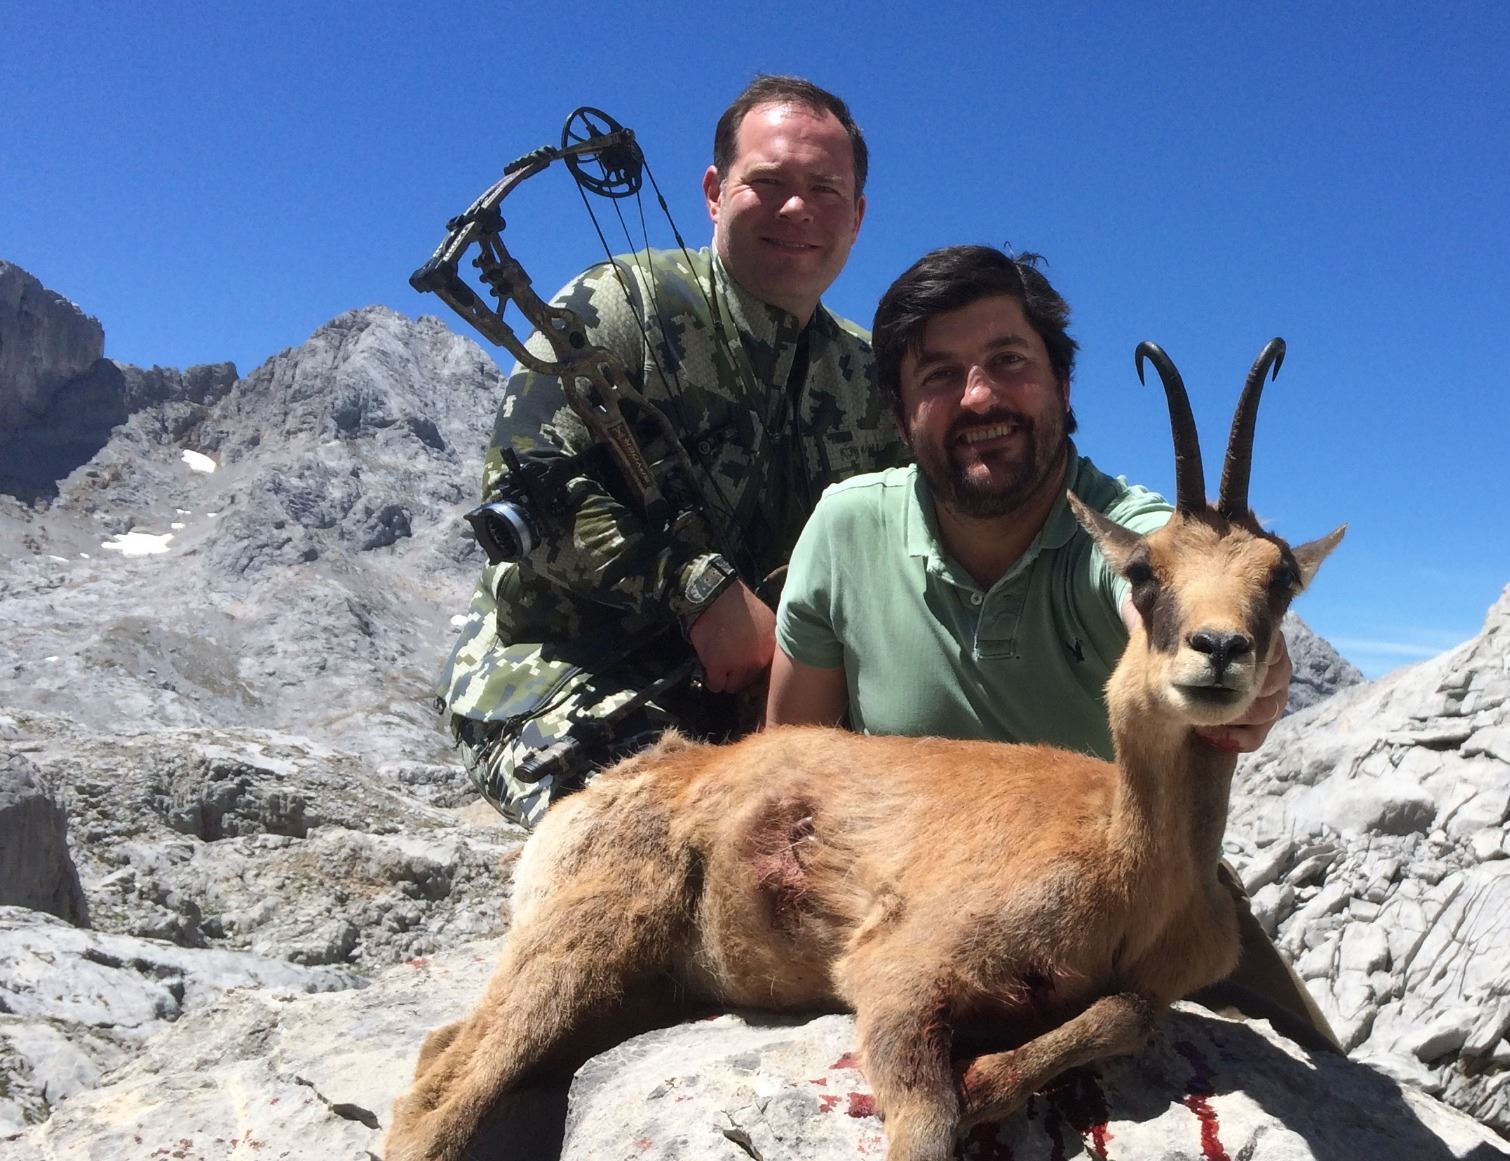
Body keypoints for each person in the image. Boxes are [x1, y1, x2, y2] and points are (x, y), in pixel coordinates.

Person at [768, 244, 1340, 1052]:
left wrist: (1244, 651)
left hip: (1129, 902)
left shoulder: (1130, 533)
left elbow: (1171, 576)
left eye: (1009, 360)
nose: (979, 395)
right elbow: (787, 761)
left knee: (1331, 1078)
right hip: (913, 896)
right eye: (939, 374)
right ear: (898, 414)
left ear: (1064, 386)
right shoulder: (845, 528)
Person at [439, 76, 905, 829]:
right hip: (576, 678)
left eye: (825, 189)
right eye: (769, 182)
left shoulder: (870, 376)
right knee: (667, 841)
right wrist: (695, 589)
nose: (797, 209)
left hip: (778, 698)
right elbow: (522, 492)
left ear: (856, 217)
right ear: (715, 193)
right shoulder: (615, 304)